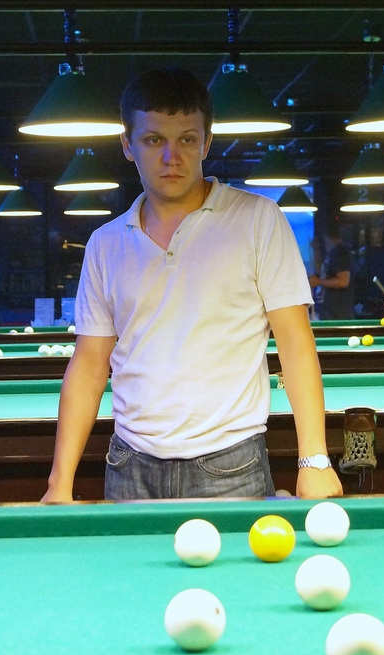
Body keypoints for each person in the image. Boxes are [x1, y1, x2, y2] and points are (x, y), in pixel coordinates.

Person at [42, 67, 342, 503]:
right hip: (129, 467)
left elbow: (295, 344)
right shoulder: (105, 244)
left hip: (230, 467)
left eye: (186, 139)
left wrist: (314, 460)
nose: (171, 156)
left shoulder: (258, 220)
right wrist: (59, 483)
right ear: (127, 145)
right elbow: (89, 364)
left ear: (206, 142)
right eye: (153, 140)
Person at [309, 222, 355, 320]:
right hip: (328, 313)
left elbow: (343, 281)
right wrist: (316, 250)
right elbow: (322, 273)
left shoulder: (341, 252)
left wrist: (318, 281)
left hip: (338, 316)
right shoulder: (331, 254)